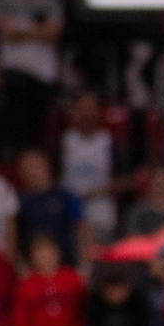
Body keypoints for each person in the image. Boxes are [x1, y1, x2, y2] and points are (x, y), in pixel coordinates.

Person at [0, 0, 64, 152]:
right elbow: (4, 32)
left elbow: (53, 32)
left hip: (42, 75)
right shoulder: (3, 0)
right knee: (12, 130)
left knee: (37, 134)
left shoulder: (51, 1)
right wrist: (38, 29)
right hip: (11, 73)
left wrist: (19, 28)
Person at [60, 91, 117, 242]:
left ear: (98, 111)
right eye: (82, 108)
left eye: (90, 109)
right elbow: (54, 176)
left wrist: (97, 191)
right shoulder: (66, 141)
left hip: (102, 215)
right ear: (75, 111)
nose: (86, 114)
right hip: (70, 217)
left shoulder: (109, 141)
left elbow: (128, 179)